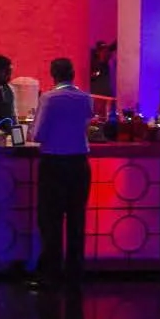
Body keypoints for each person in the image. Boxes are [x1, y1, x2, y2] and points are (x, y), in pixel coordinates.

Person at [32, 59, 94, 288]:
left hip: (53, 163)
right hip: (79, 163)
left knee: (51, 220)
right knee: (77, 219)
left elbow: (37, 134)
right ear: (74, 74)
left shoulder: (48, 98)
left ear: (52, 74)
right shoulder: (86, 98)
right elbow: (86, 124)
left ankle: (51, 273)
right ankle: (75, 272)